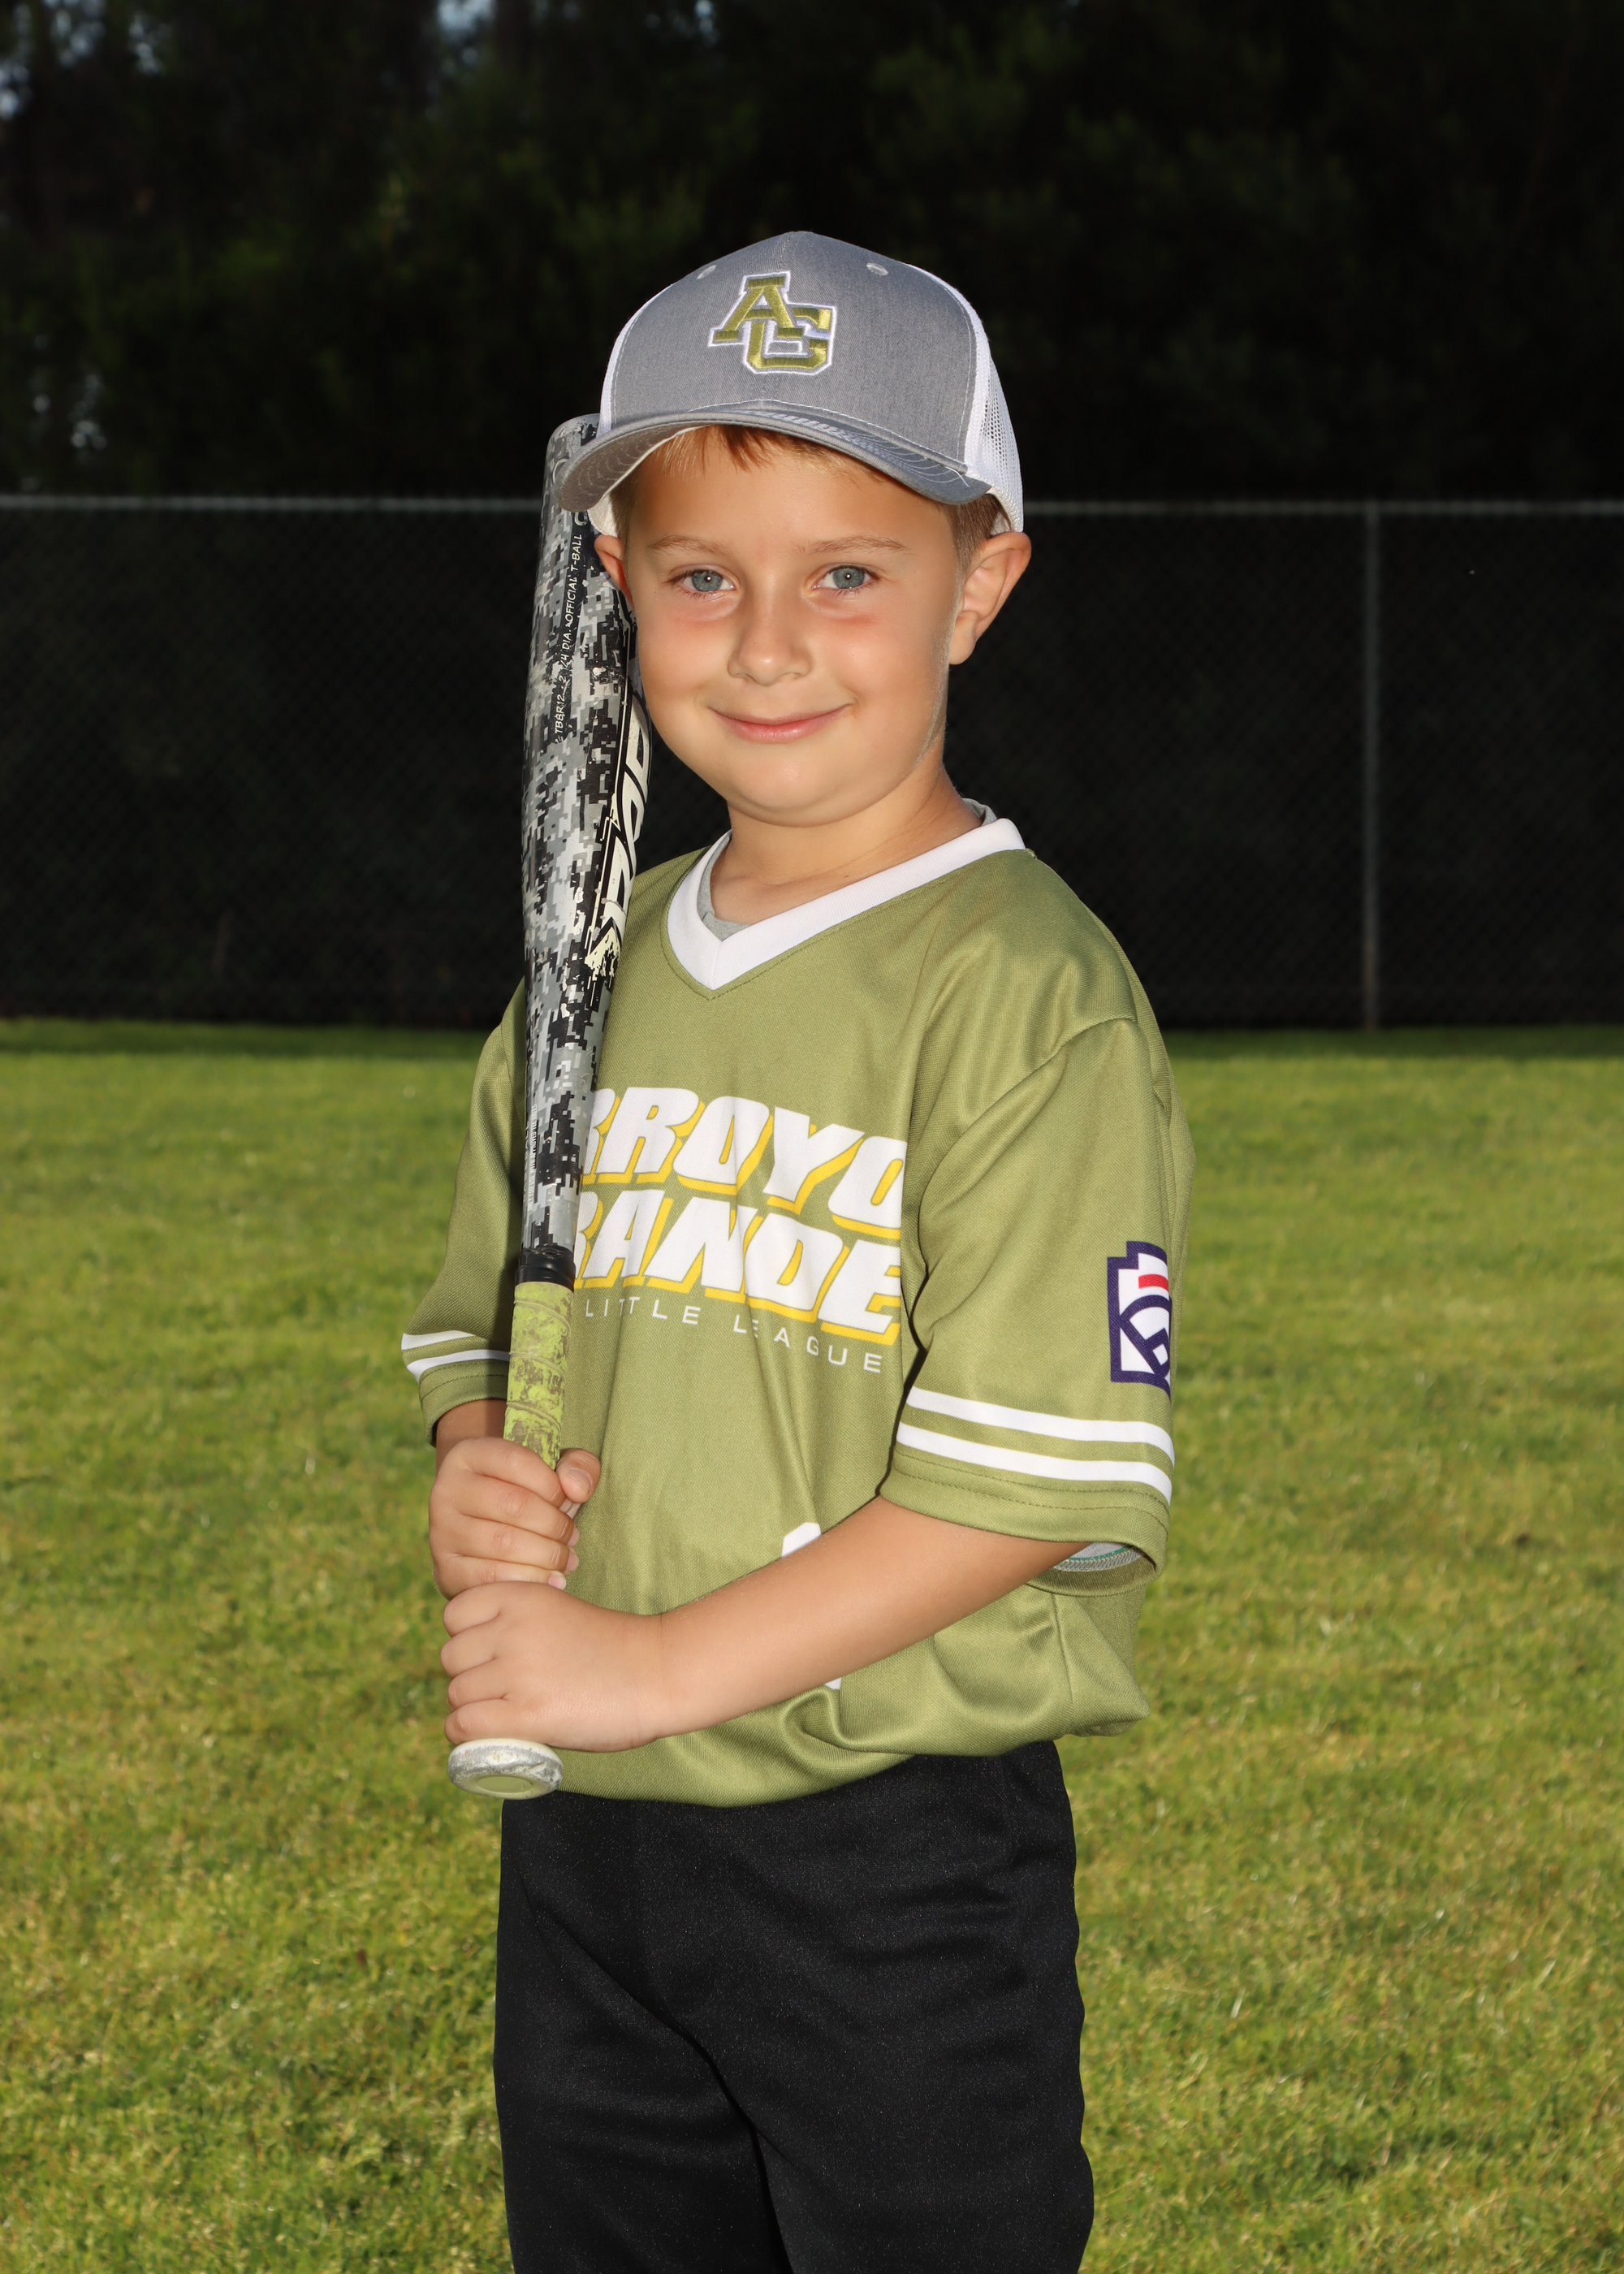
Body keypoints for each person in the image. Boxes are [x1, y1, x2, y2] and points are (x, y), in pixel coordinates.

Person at [403, 231, 1193, 2274]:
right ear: (615, 584)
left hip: (885, 1855)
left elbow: (1018, 1485)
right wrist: (475, 1468)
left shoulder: (1028, 997)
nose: (765, 643)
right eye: (699, 575)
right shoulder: (589, 974)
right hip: (588, 1837)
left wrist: (656, 1663)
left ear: (978, 580)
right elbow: (483, 1332)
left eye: (846, 570)